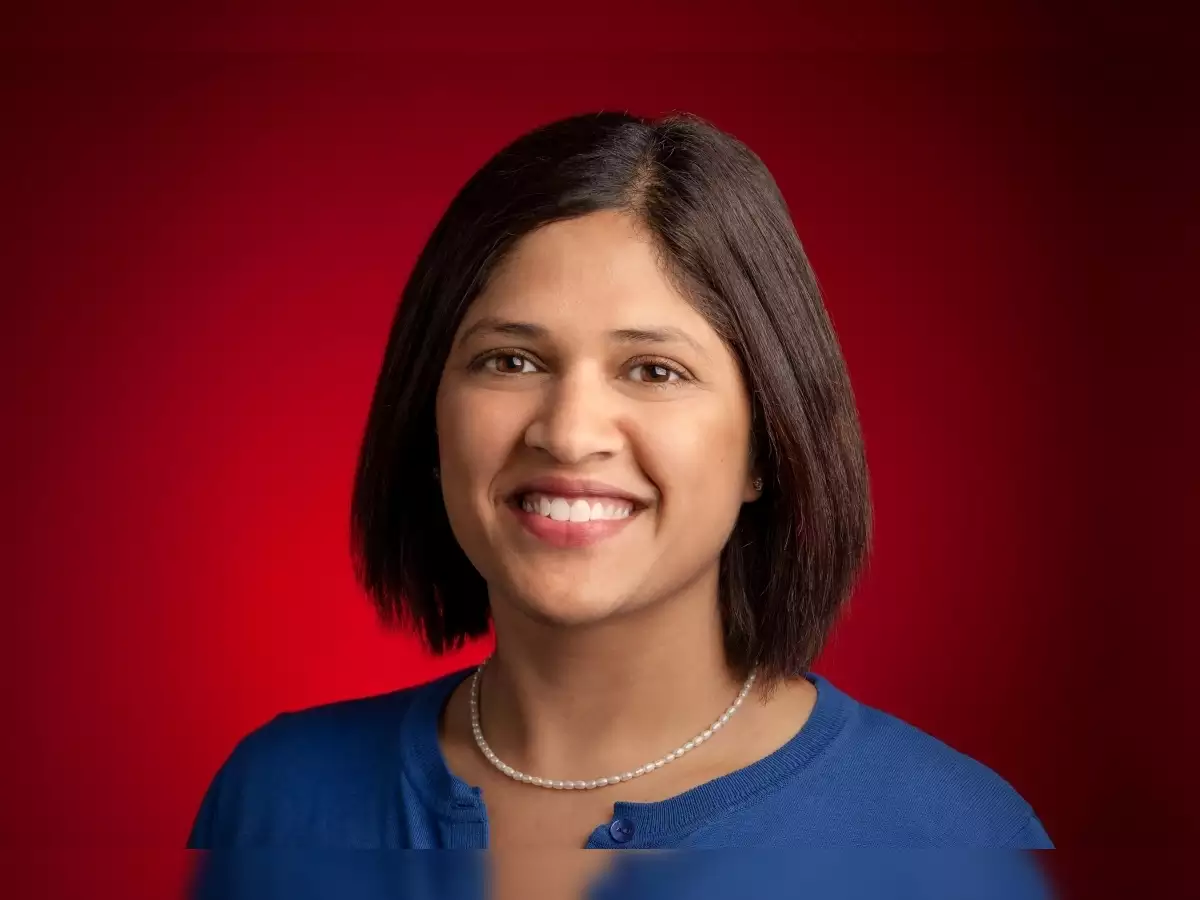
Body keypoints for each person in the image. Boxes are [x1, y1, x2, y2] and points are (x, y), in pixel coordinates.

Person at [186, 110, 1053, 851]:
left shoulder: (947, 839)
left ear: (766, 444)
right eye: (511, 359)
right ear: (429, 412)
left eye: (653, 370)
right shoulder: (272, 805)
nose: (567, 432)